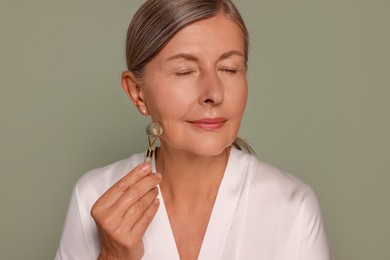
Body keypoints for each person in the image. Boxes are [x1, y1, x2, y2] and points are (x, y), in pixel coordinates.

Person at [55, 0, 332, 259]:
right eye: (185, 71)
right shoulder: (94, 196)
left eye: (229, 69)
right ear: (138, 92)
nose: (213, 93)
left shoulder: (293, 207)